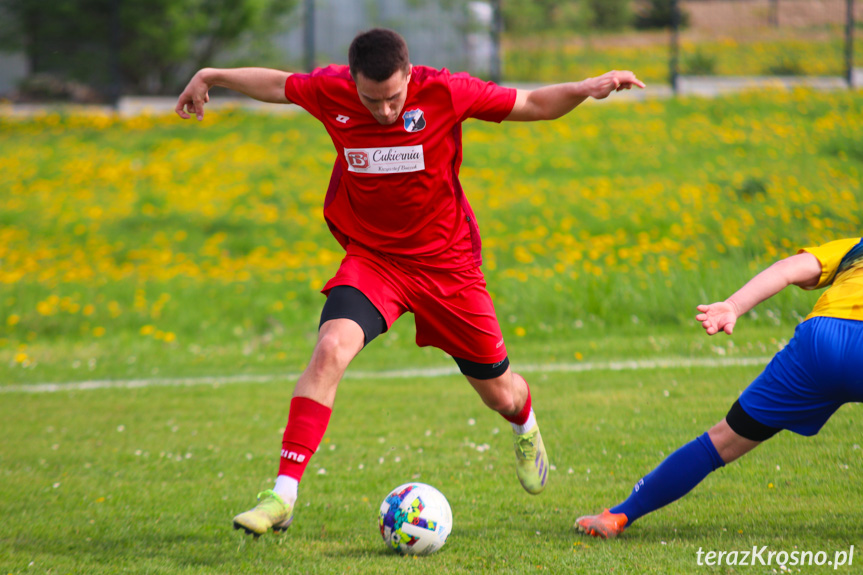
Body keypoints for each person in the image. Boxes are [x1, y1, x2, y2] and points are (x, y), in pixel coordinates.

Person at [175, 27, 645, 537]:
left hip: (448, 267)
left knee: (499, 394)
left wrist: (586, 87)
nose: (383, 111)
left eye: (394, 97)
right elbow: (278, 84)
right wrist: (211, 75)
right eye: (371, 99)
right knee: (330, 348)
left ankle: (524, 421)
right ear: (351, 81)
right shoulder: (330, 91)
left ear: (409, 73)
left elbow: (530, 101)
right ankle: (282, 495)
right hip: (374, 261)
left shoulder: (444, 91)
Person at [575, 237, 863, 539]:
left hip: (819, 342)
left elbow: (788, 269)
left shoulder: (854, 246)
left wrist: (733, 306)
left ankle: (618, 515)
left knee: (718, 443)